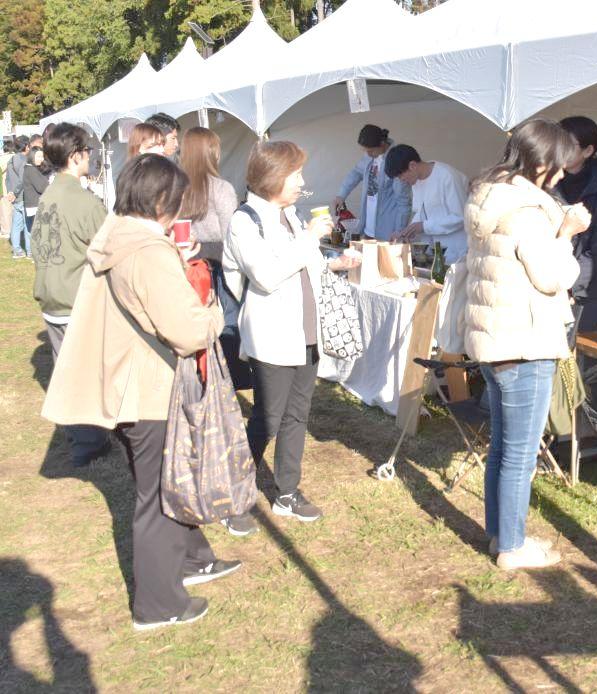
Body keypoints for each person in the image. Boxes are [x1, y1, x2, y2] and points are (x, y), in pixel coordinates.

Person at [40, 153, 240, 630]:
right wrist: (213, 311)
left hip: (127, 379)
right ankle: (159, 605)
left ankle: (192, 559)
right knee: (159, 497)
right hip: (149, 387)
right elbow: (188, 331)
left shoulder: (117, 233)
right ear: (161, 202)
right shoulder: (147, 252)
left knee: (160, 485)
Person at [464, 118, 592, 570]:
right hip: (525, 339)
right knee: (518, 452)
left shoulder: (490, 196)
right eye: (557, 168)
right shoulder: (529, 212)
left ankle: (501, 536)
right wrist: (569, 234)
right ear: (540, 164)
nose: (561, 176)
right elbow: (552, 276)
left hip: (496, 338)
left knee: (502, 447)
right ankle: (513, 548)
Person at [222, 141, 359, 535]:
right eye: (296, 174)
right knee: (267, 418)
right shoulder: (245, 220)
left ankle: (287, 492)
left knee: (297, 414)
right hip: (271, 334)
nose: (302, 182)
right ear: (274, 176)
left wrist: (335, 264)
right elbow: (265, 275)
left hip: (305, 331)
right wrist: (309, 240)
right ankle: (235, 496)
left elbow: (304, 265)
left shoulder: (291, 216)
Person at [30, 124, 111, 466]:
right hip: (75, 298)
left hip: (52, 295)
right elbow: (110, 246)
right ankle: (88, 440)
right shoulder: (81, 199)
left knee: (67, 368)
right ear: (76, 155)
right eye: (88, 151)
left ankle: (81, 435)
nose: (90, 156)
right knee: (83, 372)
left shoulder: (50, 194)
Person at [556, 116, 597, 438]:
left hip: (589, 287)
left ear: (588, 150)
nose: (561, 151)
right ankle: (563, 434)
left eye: (569, 146)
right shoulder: (551, 179)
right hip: (553, 281)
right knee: (558, 362)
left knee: (590, 366)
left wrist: (572, 282)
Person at [385, 144, 469, 263]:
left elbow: (461, 217)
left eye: (401, 176)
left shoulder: (447, 176)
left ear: (412, 165)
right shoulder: (416, 181)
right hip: (434, 252)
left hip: (457, 252)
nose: (401, 180)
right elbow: (421, 213)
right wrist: (405, 233)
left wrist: (424, 226)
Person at [331, 124, 410, 241]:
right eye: (365, 150)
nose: (368, 154)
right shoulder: (371, 156)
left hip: (387, 231)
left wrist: (399, 231)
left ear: (382, 144)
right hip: (368, 228)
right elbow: (356, 172)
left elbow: (403, 202)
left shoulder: (396, 159)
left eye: (371, 150)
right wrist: (341, 195)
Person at [178, 127, 238, 263]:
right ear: (213, 153)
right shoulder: (221, 188)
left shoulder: (176, 188)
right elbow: (230, 234)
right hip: (217, 258)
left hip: (186, 256)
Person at [5, 136, 31, 259]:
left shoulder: (11, 160)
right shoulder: (24, 160)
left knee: (16, 224)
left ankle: (17, 250)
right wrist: (14, 193)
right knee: (27, 225)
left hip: (15, 197)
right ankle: (29, 251)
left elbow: (7, 179)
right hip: (23, 196)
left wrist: (10, 192)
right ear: (26, 146)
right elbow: (22, 179)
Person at [23, 146, 51, 236]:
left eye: (42, 156)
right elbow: (42, 187)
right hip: (35, 205)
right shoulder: (31, 169)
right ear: (32, 156)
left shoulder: (32, 168)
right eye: (38, 156)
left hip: (35, 204)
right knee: (39, 233)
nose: (41, 159)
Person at [1, 140, 14, 239]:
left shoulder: (2, 159)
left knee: (5, 209)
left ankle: (6, 230)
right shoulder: (17, 157)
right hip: (16, 186)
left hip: (5, 186)